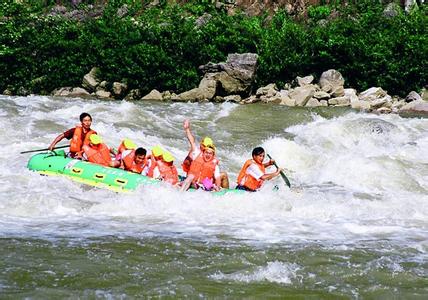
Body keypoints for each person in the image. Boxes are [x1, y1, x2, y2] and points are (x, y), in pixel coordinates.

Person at [182, 119, 229, 188]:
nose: (208, 154)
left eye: (210, 152)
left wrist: (217, 187)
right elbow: (192, 141)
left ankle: (225, 192)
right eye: (205, 148)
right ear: (202, 146)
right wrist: (187, 129)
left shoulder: (213, 160)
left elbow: (217, 176)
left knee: (221, 175)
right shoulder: (195, 153)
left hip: (205, 182)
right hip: (193, 181)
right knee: (191, 177)